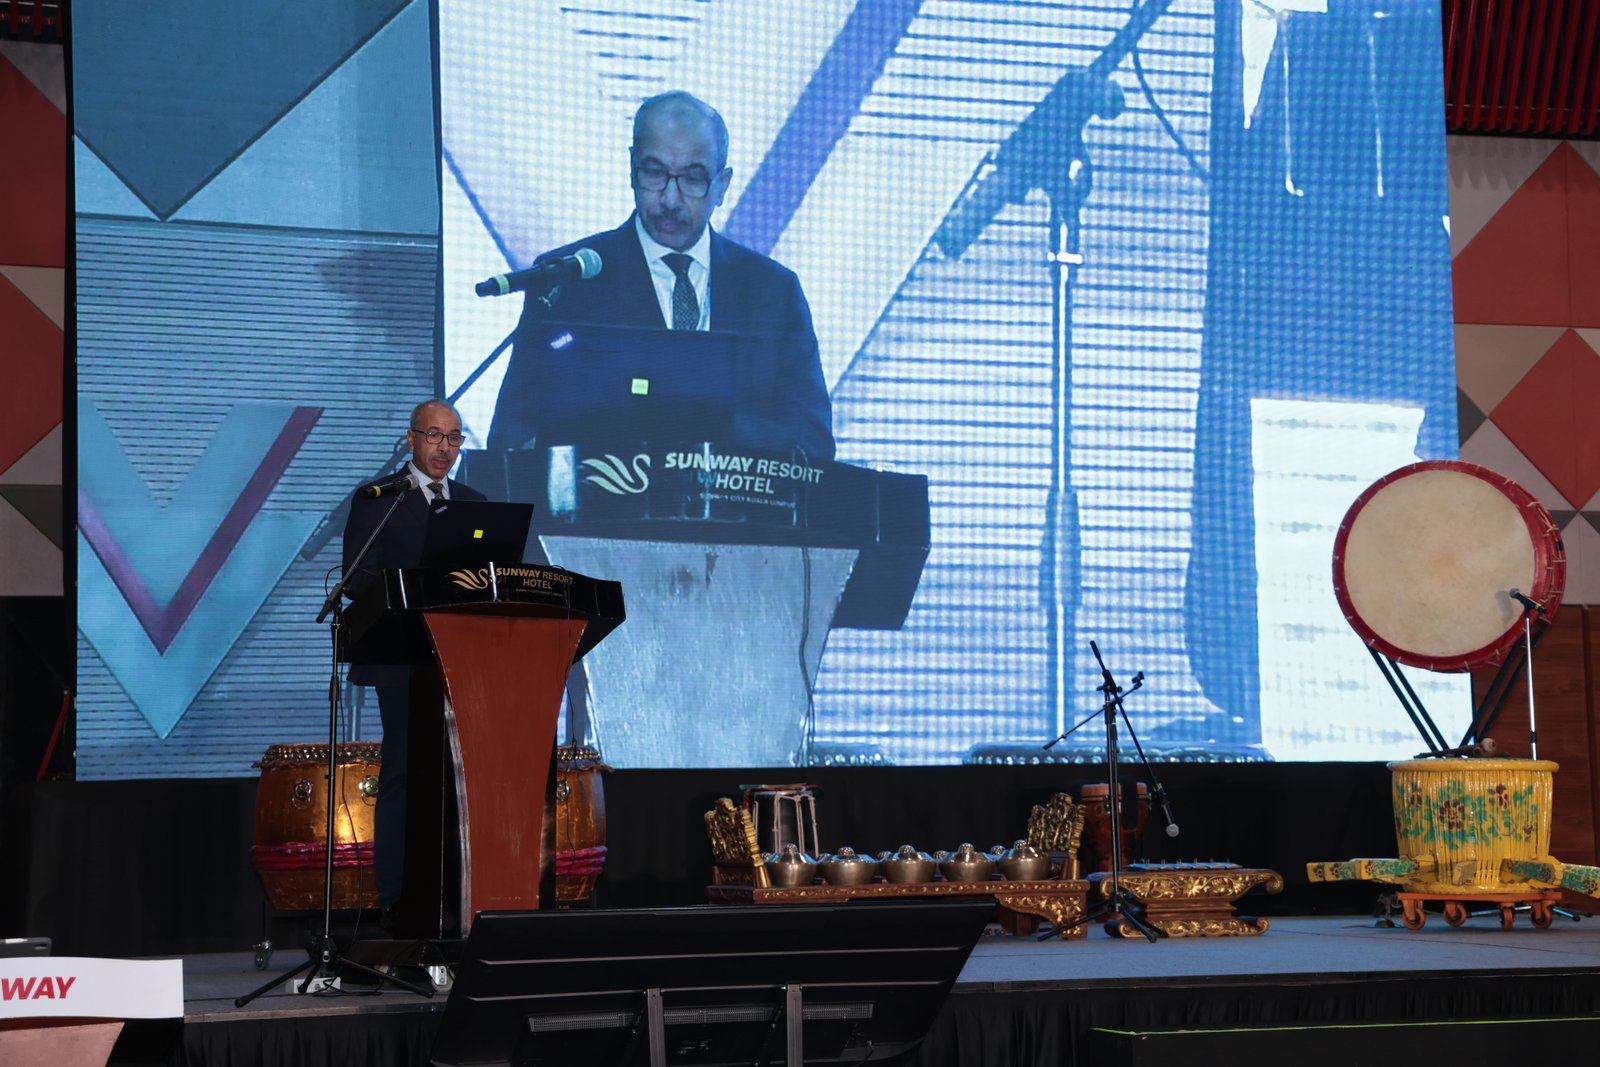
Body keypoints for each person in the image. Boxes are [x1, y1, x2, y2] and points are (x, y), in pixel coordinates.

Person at [487, 90, 835, 461]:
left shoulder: (772, 292)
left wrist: (710, 428)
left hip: (736, 498)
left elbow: (812, 442)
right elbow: (512, 438)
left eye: (693, 179)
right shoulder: (568, 281)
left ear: (722, 185)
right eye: (655, 173)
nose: (670, 199)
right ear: (632, 168)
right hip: (604, 498)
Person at [342, 399, 487, 913]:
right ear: (411, 439)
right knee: (405, 774)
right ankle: (397, 900)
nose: (444, 447)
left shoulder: (473, 504)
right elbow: (358, 580)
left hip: (461, 661)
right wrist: (413, 592)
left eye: (454, 437)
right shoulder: (380, 500)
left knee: (459, 780)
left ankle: (458, 894)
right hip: (404, 660)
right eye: (433, 435)